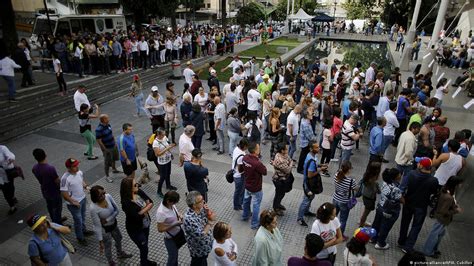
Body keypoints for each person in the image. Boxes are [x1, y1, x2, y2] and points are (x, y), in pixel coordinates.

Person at [398, 157, 439, 253]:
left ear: (421, 165)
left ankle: (401, 241)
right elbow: (433, 192)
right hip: (421, 206)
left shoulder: (411, 174)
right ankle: (408, 246)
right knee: (416, 226)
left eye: (419, 163)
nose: (417, 164)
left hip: (408, 203)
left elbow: (402, 188)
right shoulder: (434, 180)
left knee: (405, 223)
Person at [89, 185, 132, 265]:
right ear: (95, 197)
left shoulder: (108, 196)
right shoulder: (93, 208)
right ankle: (110, 261)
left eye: (103, 193)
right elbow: (97, 225)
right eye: (100, 195)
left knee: (119, 238)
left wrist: (107, 220)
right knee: (108, 246)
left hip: (113, 225)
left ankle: (119, 253)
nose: (103, 196)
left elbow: (117, 210)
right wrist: (100, 240)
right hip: (104, 230)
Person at [423, 176, 463, 258]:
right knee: (434, 235)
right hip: (442, 219)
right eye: (459, 184)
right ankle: (428, 251)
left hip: (441, 218)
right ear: (455, 184)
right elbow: (443, 211)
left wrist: (454, 206)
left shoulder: (445, 189)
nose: (460, 185)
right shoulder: (448, 197)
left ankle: (433, 249)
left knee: (440, 234)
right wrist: (456, 210)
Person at [120, 177, 156, 266]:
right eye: (135, 185)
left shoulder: (138, 192)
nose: (138, 185)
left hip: (145, 224)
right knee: (143, 247)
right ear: (129, 188)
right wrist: (147, 207)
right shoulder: (126, 202)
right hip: (135, 229)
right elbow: (136, 216)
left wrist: (142, 210)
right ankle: (143, 263)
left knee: (145, 246)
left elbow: (150, 201)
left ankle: (145, 261)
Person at [60, 158, 93, 245]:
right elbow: (64, 193)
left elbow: (81, 181)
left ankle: (84, 230)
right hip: (74, 204)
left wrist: (86, 187)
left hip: (82, 198)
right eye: (74, 166)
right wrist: (72, 202)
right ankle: (80, 237)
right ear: (69, 168)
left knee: (83, 216)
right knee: (78, 220)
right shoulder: (65, 178)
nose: (77, 167)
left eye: (77, 165)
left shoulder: (79, 172)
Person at [371, 168, 403, 250]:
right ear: (395, 177)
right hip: (389, 211)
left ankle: (373, 237)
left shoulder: (385, 183)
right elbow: (402, 200)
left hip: (380, 206)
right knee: (385, 226)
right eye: (399, 174)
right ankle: (380, 243)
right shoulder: (395, 189)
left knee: (376, 223)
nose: (400, 175)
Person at [297, 141, 326, 226]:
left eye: (318, 147)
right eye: (316, 147)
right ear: (311, 149)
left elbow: (314, 165)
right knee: (306, 200)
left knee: (310, 198)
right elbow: (310, 175)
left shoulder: (312, 155)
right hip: (309, 184)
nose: (318, 148)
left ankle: (306, 211)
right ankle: (300, 218)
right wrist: (320, 170)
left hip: (310, 183)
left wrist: (320, 165)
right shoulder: (311, 159)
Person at [183, 191, 216, 265]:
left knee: (203, 261)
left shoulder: (200, 209)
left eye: (203, 199)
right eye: (201, 201)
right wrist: (209, 223)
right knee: (197, 263)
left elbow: (213, 217)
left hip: (205, 247)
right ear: (194, 205)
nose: (203, 202)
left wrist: (208, 212)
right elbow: (201, 235)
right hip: (199, 250)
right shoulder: (189, 219)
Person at [32, 148, 63, 224]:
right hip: (54, 192)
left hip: (45, 191)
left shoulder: (34, 168)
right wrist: (61, 189)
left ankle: (54, 220)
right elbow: (57, 181)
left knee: (50, 207)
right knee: (57, 209)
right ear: (45, 155)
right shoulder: (50, 168)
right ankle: (58, 224)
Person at [242, 142, 267, 230]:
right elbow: (264, 172)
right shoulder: (257, 163)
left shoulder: (245, 158)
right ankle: (254, 224)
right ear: (255, 151)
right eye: (258, 148)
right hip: (256, 187)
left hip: (247, 184)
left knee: (246, 201)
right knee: (256, 205)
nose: (259, 149)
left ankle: (245, 216)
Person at [156, 191, 185, 266]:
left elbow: (175, 213)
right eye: (174, 202)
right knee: (172, 258)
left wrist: (179, 215)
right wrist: (174, 224)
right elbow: (160, 229)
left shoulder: (171, 205)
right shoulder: (161, 213)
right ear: (168, 201)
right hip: (170, 239)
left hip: (177, 234)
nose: (174, 204)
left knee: (175, 257)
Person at [333, 161, 356, 236]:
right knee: (343, 220)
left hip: (335, 198)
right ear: (349, 170)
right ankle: (340, 235)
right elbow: (356, 189)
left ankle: (331, 231)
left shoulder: (336, 175)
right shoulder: (351, 181)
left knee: (333, 216)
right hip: (344, 202)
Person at [153, 128, 178, 198]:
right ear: (158, 134)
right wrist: (167, 148)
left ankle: (168, 185)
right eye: (163, 134)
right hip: (162, 162)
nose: (164, 135)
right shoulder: (155, 143)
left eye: (164, 134)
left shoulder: (164, 137)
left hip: (168, 159)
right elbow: (157, 154)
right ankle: (159, 191)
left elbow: (168, 144)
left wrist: (171, 148)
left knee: (168, 173)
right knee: (162, 177)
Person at [95, 114, 120, 183]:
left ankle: (114, 169)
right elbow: (99, 141)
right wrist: (105, 149)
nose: (108, 119)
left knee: (114, 158)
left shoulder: (108, 125)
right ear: (103, 120)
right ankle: (107, 176)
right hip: (107, 148)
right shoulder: (99, 129)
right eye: (107, 118)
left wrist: (115, 143)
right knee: (107, 162)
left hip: (113, 145)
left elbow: (111, 134)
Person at [272, 144, 293, 216]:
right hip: (278, 180)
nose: (287, 150)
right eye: (286, 149)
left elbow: (291, 160)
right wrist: (290, 164)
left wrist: (290, 163)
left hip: (284, 179)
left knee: (282, 193)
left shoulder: (284, 155)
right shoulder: (279, 159)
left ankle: (278, 204)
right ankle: (276, 208)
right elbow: (288, 170)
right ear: (282, 151)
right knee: (279, 194)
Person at [358, 162, 382, 227]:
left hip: (365, 195)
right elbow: (377, 191)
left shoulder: (366, 174)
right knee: (366, 213)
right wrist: (378, 188)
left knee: (365, 210)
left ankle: (362, 221)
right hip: (370, 198)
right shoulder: (373, 180)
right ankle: (361, 224)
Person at [0, 145, 19, 214]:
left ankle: (12, 197)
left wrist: (10, 159)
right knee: (4, 190)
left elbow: (11, 156)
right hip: (0, 175)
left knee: (10, 186)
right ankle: (12, 206)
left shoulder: (2, 148)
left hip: (8, 172)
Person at [297, 110, 315, 174]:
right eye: (311, 114)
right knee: (303, 156)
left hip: (305, 142)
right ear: (307, 116)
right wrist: (314, 140)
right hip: (305, 143)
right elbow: (309, 136)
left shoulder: (305, 121)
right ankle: (300, 168)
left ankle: (302, 167)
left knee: (304, 155)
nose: (312, 115)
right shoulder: (305, 124)